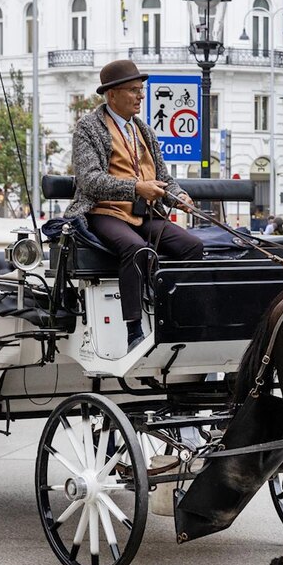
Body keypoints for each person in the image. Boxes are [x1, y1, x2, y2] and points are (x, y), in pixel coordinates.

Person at [65, 59, 204, 351]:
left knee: (192, 247)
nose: (141, 96)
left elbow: (163, 178)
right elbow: (90, 181)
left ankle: (175, 313)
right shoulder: (88, 129)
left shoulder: (144, 130)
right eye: (134, 90)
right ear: (112, 94)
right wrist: (135, 188)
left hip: (145, 213)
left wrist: (179, 197)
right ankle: (134, 331)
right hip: (104, 211)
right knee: (135, 248)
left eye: (142, 90)